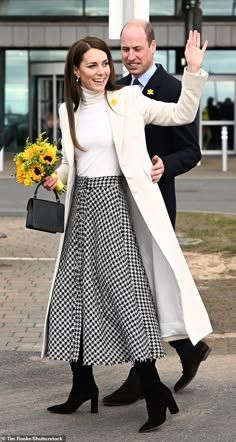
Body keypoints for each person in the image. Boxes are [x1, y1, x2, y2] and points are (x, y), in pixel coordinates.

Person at [41, 31, 211, 433]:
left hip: (116, 211)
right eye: (92, 65)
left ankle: (155, 391)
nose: (102, 71)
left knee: (126, 300)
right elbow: (74, 163)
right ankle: (82, 385)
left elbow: (181, 114)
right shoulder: (69, 111)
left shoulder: (128, 100)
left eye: (105, 63)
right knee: (72, 298)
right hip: (80, 210)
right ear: (76, 72)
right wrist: (56, 177)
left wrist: (193, 71)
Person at [103, 19, 212, 407]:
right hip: (119, 206)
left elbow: (191, 151)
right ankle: (187, 349)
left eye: (137, 49)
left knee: (143, 289)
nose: (130, 57)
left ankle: (141, 377)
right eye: (124, 50)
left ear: (152, 46)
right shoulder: (113, 88)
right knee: (143, 288)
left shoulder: (170, 88)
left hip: (156, 205)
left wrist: (165, 164)